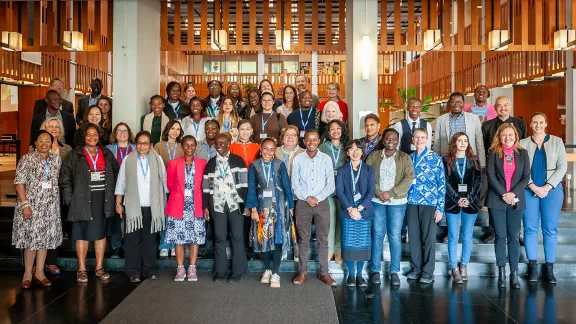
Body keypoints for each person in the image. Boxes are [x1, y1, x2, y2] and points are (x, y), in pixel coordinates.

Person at [59, 123, 119, 283]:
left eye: (95, 134)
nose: (92, 137)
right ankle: (81, 268)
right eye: (88, 134)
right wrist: (71, 199)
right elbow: (65, 179)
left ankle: (99, 267)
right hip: (81, 199)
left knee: (100, 234)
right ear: (82, 137)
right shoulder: (74, 154)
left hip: (103, 199)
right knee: (81, 234)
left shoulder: (106, 153)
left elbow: (116, 173)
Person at [520, 113, 567, 284]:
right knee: (530, 229)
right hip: (528, 190)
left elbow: (562, 167)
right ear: (530, 124)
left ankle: (549, 269)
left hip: (552, 191)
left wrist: (547, 187)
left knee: (550, 229)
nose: (538, 125)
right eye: (535, 122)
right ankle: (532, 268)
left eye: (541, 122)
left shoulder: (557, 142)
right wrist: (533, 186)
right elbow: (521, 169)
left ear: (546, 124)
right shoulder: (523, 144)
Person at [115, 131, 168, 283]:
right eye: (139, 143)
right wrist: (118, 203)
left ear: (150, 145)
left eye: (145, 143)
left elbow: (164, 181)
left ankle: (149, 270)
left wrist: (165, 202)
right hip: (133, 207)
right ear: (135, 144)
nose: (142, 146)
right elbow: (121, 182)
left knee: (150, 241)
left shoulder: (157, 159)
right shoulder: (128, 159)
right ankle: (133, 271)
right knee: (132, 240)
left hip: (152, 206)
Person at [13, 131, 62, 289]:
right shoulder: (26, 159)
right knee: (31, 240)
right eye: (40, 140)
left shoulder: (56, 160)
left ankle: (40, 272)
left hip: (50, 206)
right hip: (32, 205)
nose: (44, 143)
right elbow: (19, 183)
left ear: (52, 143)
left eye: (47, 140)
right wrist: (25, 204)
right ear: (35, 142)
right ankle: (27, 274)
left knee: (45, 239)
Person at [365, 128, 414, 287]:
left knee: (394, 236)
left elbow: (409, 178)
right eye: (387, 138)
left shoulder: (404, 158)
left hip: (398, 203)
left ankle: (394, 271)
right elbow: (367, 176)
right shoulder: (373, 156)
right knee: (377, 234)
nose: (390, 141)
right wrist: (379, 192)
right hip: (377, 201)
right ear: (383, 140)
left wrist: (391, 193)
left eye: (394, 139)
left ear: (397, 140)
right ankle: (375, 270)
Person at [485, 123, 530, 289]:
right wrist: (504, 193)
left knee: (513, 237)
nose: (507, 138)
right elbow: (490, 176)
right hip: (497, 199)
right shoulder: (493, 152)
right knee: (500, 236)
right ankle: (502, 273)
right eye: (504, 135)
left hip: (516, 200)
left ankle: (514, 274)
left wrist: (513, 194)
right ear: (499, 136)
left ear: (516, 136)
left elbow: (525, 177)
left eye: (510, 135)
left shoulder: (523, 153)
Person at [247, 138, 295, 288]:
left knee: (277, 240)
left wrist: (291, 205)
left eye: (271, 149)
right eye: (265, 149)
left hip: (279, 207)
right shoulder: (254, 165)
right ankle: (267, 269)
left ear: (275, 151)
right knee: (263, 240)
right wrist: (253, 209)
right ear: (260, 149)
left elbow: (287, 185)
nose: (268, 152)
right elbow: (251, 188)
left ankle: (275, 273)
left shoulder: (279, 164)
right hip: (262, 208)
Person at [291, 130, 337, 287]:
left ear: (319, 141)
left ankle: (324, 272)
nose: (311, 142)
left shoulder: (326, 159)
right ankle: (303, 272)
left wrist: (317, 197)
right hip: (303, 203)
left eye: (314, 140)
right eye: (308, 140)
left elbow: (330, 184)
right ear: (304, 141)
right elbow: (294, 184)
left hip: (322, 203)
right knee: (303, 239)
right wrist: (307, 197)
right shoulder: (297, 159)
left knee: (323, 240)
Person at [202, 133, 248, 283]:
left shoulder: (238, 160)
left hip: (235, 204)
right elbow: (205, 188)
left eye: (222, 142)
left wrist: (247, 205)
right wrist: (205, 206)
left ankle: (238, 271)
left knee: (237, 238)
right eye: (217, 143)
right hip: (217, 205)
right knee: (219, 238)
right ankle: (220, 271)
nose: (219, 145)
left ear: (229, 143)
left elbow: (245, 185)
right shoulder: (210, 163)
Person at [481, 96, 528, 244]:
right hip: (494, 170)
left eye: (505, 105)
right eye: (499, 106)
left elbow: (524, 145)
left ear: (510, 106)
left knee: (516, 203)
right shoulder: (487, 125)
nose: (503, 108)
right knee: (494, 201)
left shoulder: (520, 123)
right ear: (495, 108)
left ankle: (516, 233)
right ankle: (494, 232)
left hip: (515, 170)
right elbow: (483, 147)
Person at [405, 128, 445, 284]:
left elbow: (441, 183)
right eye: (417, 137)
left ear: (427, 140)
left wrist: (440, 208)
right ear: (413, 140)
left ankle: (428, 271)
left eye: (422, 137)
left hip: (429, 202)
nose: (419, 140)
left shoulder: (434, 158)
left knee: (428, 239)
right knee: (413, 237)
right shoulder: (409, 158)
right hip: (411, 202)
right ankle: (416, 268)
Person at [165, 135, 207, 281]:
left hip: (196, 205)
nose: (189, 148)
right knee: (179, 239)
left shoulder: (202, 163)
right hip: (178, 205)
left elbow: (204, 186)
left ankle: (192, 269)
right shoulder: (173, 163)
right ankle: (180, 269)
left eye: (192, 145)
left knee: (194, 238)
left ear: (196, 147)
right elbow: (170, 185)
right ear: (182, 147)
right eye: (186, 145)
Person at [443, 133, 482, 284]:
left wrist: (469, 198)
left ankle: (464, 265)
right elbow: (445, 182)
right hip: (453, 203)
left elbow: (479, 181)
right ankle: (454, 268)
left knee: (467, 236)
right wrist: (457, 199)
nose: (463, 143)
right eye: (460, 140)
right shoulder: (446, 160)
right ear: (454, 143)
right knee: (453, 236)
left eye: (466, 140)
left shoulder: (473, 160)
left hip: (470, 203)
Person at [336, 139, 375, 287]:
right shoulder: (342, 170)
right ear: (347, 152)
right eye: (351, 149)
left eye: (358, 149)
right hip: (348, 211)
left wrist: (359, 209)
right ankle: (351, 275)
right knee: (349, 244)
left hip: (364, 212)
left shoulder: (369, 170)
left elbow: (371, 191)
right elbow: (339, 191)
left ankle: (360, 275)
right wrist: (350, 208)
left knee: (363, 244)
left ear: (362, 152)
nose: (355, 152)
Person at [318, 120, 348, 264]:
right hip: (327, 190)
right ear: (328, 133)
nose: (335, 131)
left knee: (341, 221)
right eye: (332, 129)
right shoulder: (323, 147)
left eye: (338, 128)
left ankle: (338, 250)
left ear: (342, 131)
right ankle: (329, 249)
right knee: (329, 221)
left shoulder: (347, 147)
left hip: (344, 190)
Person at [105, 122, 137, 259]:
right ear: (114, 133)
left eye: (125, 131)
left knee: (132, 215)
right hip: (114, 186)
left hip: (133, 187)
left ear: (129, 133)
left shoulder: (136, 148)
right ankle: (116, 246)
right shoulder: (108, 149)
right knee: (116, 217)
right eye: (119, 131)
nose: (122, 133)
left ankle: (130, 246)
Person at [154, 120, 184, 258]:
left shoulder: (182, 146)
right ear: (167, 130)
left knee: (175, 216)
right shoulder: (159, 145)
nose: (175, 131)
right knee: (164, 216)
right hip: (162, 185)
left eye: (178, 129)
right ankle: (164, 244)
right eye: (172, 128)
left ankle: (174, 245)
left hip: (178, 186)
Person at [433, 92, 486, 168]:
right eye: (453, 102)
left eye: (459, 102)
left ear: (463, 103)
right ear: (449, 103)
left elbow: (479, 142)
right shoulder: (441, 120)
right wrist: (436, 163)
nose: (456, 104)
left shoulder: (474, 118)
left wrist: (482, 164)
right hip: (447, 160)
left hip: (469, 159)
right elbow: (437, 143)